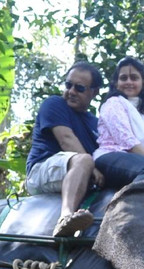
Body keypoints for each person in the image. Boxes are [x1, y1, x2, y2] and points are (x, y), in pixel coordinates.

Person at [25, 62, 104, 237]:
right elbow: (66, 140)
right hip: (41, 171)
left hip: (77, 174)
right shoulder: (54, 104)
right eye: (68, 85)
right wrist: (93, 168)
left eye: (80, 88)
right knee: (84, 160)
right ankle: (65, 217)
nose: (71, 91)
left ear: (94, 92)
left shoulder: (95, 123)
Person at [93, 57, 144, 190]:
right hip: (110, 157)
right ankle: (123, 208)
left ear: (143, 82)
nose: (128, 82)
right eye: (123, 78)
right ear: (116, 83)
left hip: (135, 162)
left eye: (134, 78)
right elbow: (127, 140)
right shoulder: (113, 103)